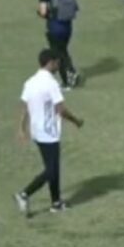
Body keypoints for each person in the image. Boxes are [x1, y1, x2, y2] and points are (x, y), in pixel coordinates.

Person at [14, 49, 84, 217]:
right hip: (49, 133)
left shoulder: (30, 82)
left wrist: (21, 128)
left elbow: (24, 107)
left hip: (37, 131)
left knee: (53, 167)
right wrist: (76, 121)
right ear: (51, 62)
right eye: (57, 62)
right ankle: (24, 195)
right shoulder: (51, 83)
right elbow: (61, 110)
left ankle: (56, 203)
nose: (58, 65)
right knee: (51, 171)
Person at [38, 0, 79, 91]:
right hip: (67, 26)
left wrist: (40, 13)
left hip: (54, 27)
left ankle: (69, 78)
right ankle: (68, 77)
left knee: (58, 54)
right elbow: (75, 8)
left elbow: (43, 12)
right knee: (63, 51)